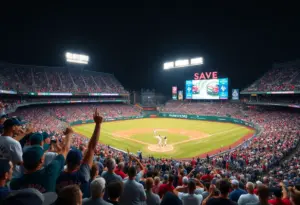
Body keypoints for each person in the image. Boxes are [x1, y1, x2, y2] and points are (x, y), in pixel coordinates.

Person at [56, 109, 103, 198]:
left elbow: (90, 148)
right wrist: (98, 124)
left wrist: (68, 135)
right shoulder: (82, 175)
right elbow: (91, 148)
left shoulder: (58, 175)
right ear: (79, 163)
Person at [10, 127, 72, 193]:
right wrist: (69, 134)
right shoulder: (50, 172)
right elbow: (65, 150)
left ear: (23, 163)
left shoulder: (14, 183)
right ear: (42, 160)